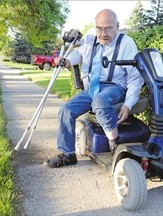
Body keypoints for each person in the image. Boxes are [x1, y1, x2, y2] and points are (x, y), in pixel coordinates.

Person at [44, 9, 144, 168]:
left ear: (117, 26)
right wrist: (68, 61)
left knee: (99, 101)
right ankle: (68, 154)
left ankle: (114, 141)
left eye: (108, 28)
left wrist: (128, 104)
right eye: (99, 28)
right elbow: (79, 54)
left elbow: (135, 78)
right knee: (66, 110)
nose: (103, 33)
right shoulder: (90, 36)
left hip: (115, 86)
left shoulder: (126, 44)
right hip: (92, 87)